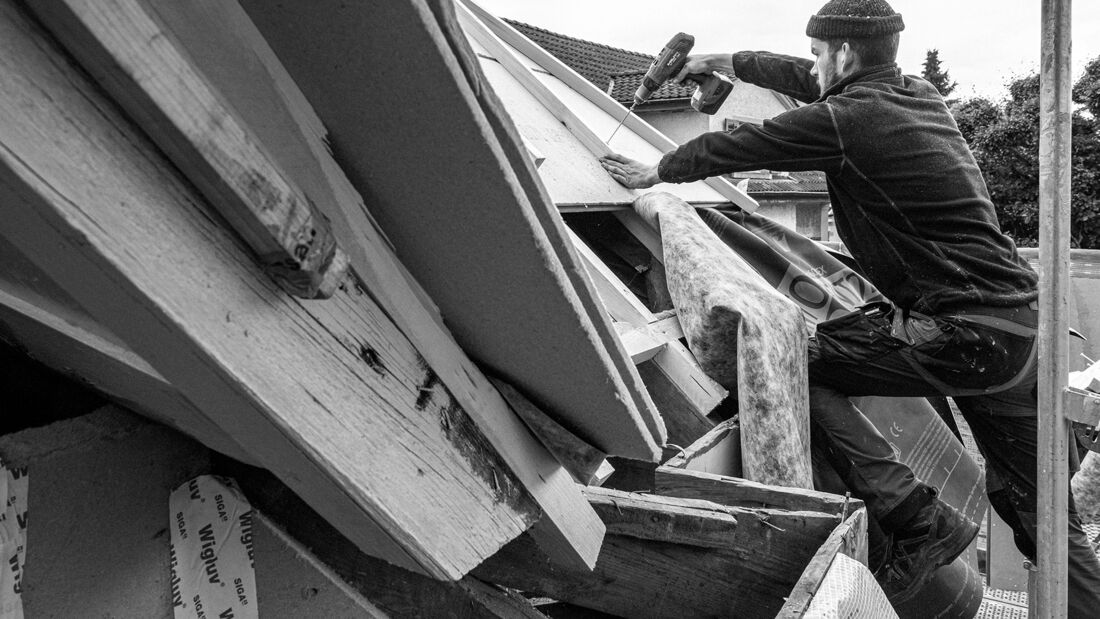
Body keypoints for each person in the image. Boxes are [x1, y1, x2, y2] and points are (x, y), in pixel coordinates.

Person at [599, 0, 1100, 612]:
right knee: (1044, 523)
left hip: (961, 333)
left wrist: (658, 171)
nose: (813, 66)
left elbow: (749, 145)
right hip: (1020, 332)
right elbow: (806, 80)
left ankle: (918, 519)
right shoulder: (915, 95)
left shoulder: (851, 119)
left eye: (819, 53)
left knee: (787, 360)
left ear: (842, 54)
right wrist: (725, 61)